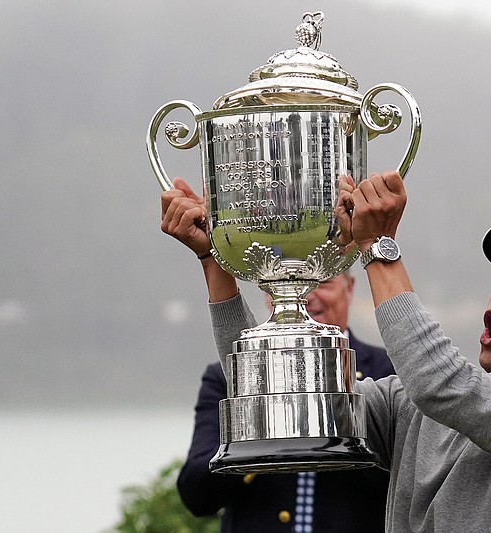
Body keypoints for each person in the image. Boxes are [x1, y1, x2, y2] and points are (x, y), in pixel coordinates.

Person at [163, 170, 491, 532]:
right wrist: (214, 261)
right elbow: (274, 392)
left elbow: (445, 386)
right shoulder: (411, 404)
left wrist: (376, 247)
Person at [161, 178, 395, 533]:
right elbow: (196, 494)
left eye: (323, 280)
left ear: (349, 287)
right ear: (266, 289)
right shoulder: (225, 375)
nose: (307, 295)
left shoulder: (386, 371)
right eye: (282, 279)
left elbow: (405, 481)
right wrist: (263, 428)